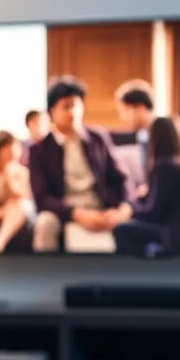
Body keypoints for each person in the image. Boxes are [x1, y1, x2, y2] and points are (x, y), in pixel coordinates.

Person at [26, 76, 132, 252]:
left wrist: (124, 207)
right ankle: (45, 276)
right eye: (66, 106)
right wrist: (76, 214)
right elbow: (41, 197)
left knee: (132, 220)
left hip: (100, 206)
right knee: (45, 223)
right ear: (52, 111)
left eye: (76, 105)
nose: (72, 112)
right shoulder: (39, 150)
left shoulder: (98, 138)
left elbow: (121, 178)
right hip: (64, 210)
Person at [113, 116, 180, 257]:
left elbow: (152, 212)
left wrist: (129, 211)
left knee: (122, 230)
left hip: (178, 237)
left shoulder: (165, 166)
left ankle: (133, 275)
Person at [115, 79, 156, 172]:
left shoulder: (162, 133)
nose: (122, 117)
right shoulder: (142, 134)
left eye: (125, 111)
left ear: (140, 108)